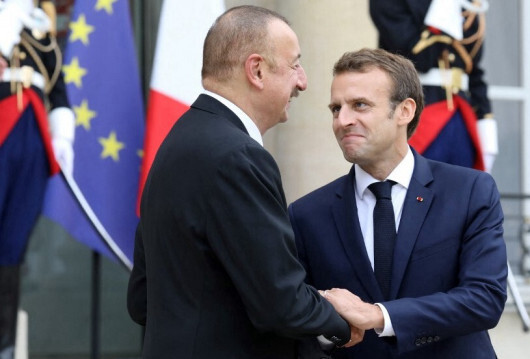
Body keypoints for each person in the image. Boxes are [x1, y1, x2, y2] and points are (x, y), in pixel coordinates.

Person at [127, 6, 361, 359]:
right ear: (257, 70)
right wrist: (342, 321)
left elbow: (142, 300)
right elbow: (281, 302)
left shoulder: (178, 142)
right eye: (295, 63)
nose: (303, 81)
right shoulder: (237, 157)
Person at [288, 48, 507, 358]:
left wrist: (378, 316)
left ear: (405, 111)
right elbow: (297, 325)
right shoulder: (307, 214)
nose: (343, 120)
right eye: (336, 108)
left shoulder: (470, 191)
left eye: (360, 105)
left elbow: (484, 299)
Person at [0, 1, 75, 357]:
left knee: (13, 244)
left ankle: (6, 343)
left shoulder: (37, 25)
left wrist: (63, 137)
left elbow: (57, 84)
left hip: (31, 131)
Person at [369, 0, 498, 173]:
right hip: (417, 114)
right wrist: (441, 13)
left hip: (461, 116)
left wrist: (485, 122)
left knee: (463, 194)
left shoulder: (466, 4)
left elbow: (472, 71)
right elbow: (421, 58)